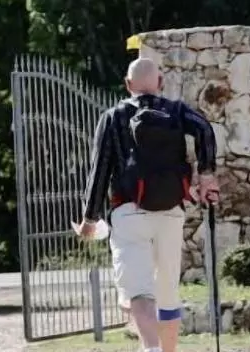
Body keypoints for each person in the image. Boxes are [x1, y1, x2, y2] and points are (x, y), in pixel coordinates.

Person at [77, 57, 219, 352]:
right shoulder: (176, 112)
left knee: (140, 292)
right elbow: (205, 129)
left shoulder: (114, 116)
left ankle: (152, 348)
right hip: (170, 212)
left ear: (128, 85)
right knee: (168, 293)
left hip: (129, 213)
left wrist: (90, 219)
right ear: (161, 82)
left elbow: (100, 169)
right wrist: (206, 176)